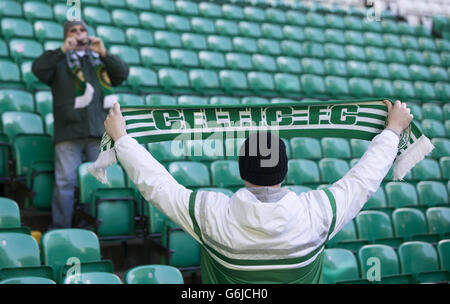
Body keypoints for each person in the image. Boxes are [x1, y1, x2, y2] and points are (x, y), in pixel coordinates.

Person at [104, 100, 413, 283]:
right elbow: (364, 179)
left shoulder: (211, 215)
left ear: (241, 172)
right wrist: (393, 131)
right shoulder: (319, 213)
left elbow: (157, 185)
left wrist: (123, 139)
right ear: (285, 170)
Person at [32, 20, 129, 229]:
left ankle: (90, 230)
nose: (78, 34)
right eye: (73, 31)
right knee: (65, 183)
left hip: (98, 132)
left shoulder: (99, 62)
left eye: (82, 30)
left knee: (94, 184)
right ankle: (61, 230)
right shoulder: (59, 60)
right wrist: (62, 50)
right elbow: (38, 69)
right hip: (69, 132)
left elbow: (122, 74)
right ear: (66, 36)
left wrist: (104, 53)